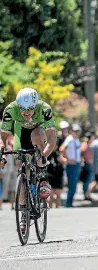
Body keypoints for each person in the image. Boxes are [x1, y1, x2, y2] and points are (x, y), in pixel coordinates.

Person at [0, 88, 57, 231]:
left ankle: (42, 178)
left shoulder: (44, 109)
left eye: (30, 109)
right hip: (20, 132)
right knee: (20, 163)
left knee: (37, 137)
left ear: (35, 105)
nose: (26, 113)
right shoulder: (10, 109)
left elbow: (52, 138)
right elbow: (3, 137)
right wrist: (2, 153)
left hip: (39, 131)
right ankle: (24, 212)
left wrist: (44, 155)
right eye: (22, 109)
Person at [59, 124, 82, 207]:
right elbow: (62, 149)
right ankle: (68, 204)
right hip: (72, 165)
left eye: (77, 131)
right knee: (72, 185)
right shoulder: (70, 139)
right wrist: (67, 160)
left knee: (74, 184)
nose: (76, 132)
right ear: (71, 131)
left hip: (77, 164)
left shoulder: (76, 139)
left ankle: (70, 202)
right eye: (75, 131)